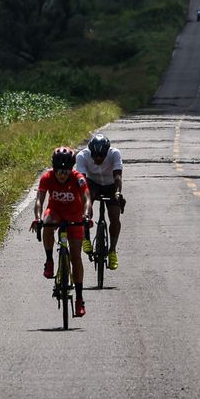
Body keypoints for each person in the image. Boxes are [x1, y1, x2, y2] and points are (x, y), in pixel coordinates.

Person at [31, 146, 92, 317]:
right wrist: (37, 218)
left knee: (76, 257)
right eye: (59, 171)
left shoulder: (78, 179)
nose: (62, 175)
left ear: (71, 169)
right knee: (47, 222)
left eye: (66, 171)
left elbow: (87, 198)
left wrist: (86, 216)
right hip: (55, 211)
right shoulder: (47, 177)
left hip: (74, 214)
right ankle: (49, 260)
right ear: (54, 168)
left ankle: (79, 299)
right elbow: (39, 200)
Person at [75, 133, 125, 270]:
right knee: (86, 209)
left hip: (111, 185)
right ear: (90, 152)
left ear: (106, 152)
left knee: (114, 217)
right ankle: (86, 237)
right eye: (95, 155)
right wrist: (84, 199)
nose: (98, 158)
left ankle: (112, 251)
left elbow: (118, 177)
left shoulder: (114, 154)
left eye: (101, 155)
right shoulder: (82, 156)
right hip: (92, 184)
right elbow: (81, 180)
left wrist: (118, 193)